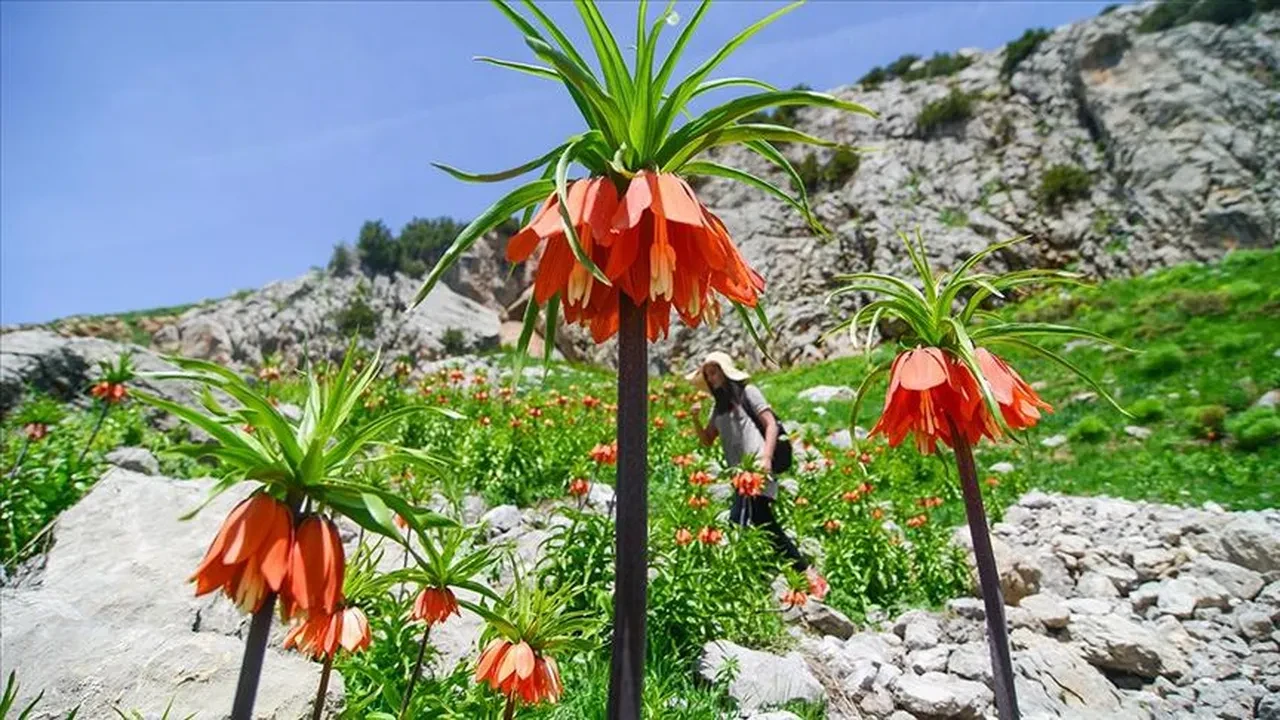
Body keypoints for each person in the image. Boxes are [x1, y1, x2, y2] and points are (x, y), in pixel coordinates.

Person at [685, 351, 826, 593]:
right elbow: (708, 439)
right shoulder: (717, 408)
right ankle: (808, 575)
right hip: (740, 476)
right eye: (707, 374)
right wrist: (695, 419)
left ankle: (737, 582)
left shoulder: (748, 392)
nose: (711, 377)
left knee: (738, 521)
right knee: (763, 522)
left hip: (757, 470)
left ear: (726, 371)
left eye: (714, 371)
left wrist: (766, 459)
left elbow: (770, 423)